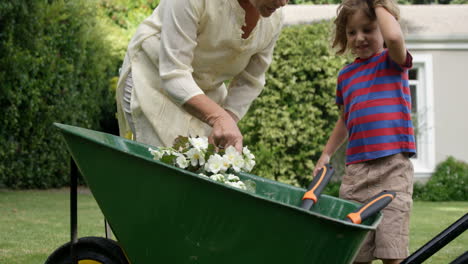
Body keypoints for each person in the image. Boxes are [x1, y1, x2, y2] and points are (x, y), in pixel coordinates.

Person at [312, 0, 415, 263]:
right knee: (355, 254)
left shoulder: (392, 61)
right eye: (351, 32)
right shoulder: (346, 75)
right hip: (356, 174)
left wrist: (377, 3)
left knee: (391, 252)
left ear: (381, 26)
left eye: (368, 29)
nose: (359, 38)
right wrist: (326, 154)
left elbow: (393, 36)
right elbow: (345, 120)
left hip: (392, 168)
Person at [115, 0, 289, 152]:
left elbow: (250, 81)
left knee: (201, 167)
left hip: (206, 94)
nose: (283, 3)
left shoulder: (275, 19)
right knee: (165, 170)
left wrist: (227, 121)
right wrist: (219, 118)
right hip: (153, 81)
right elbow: (174, 73)